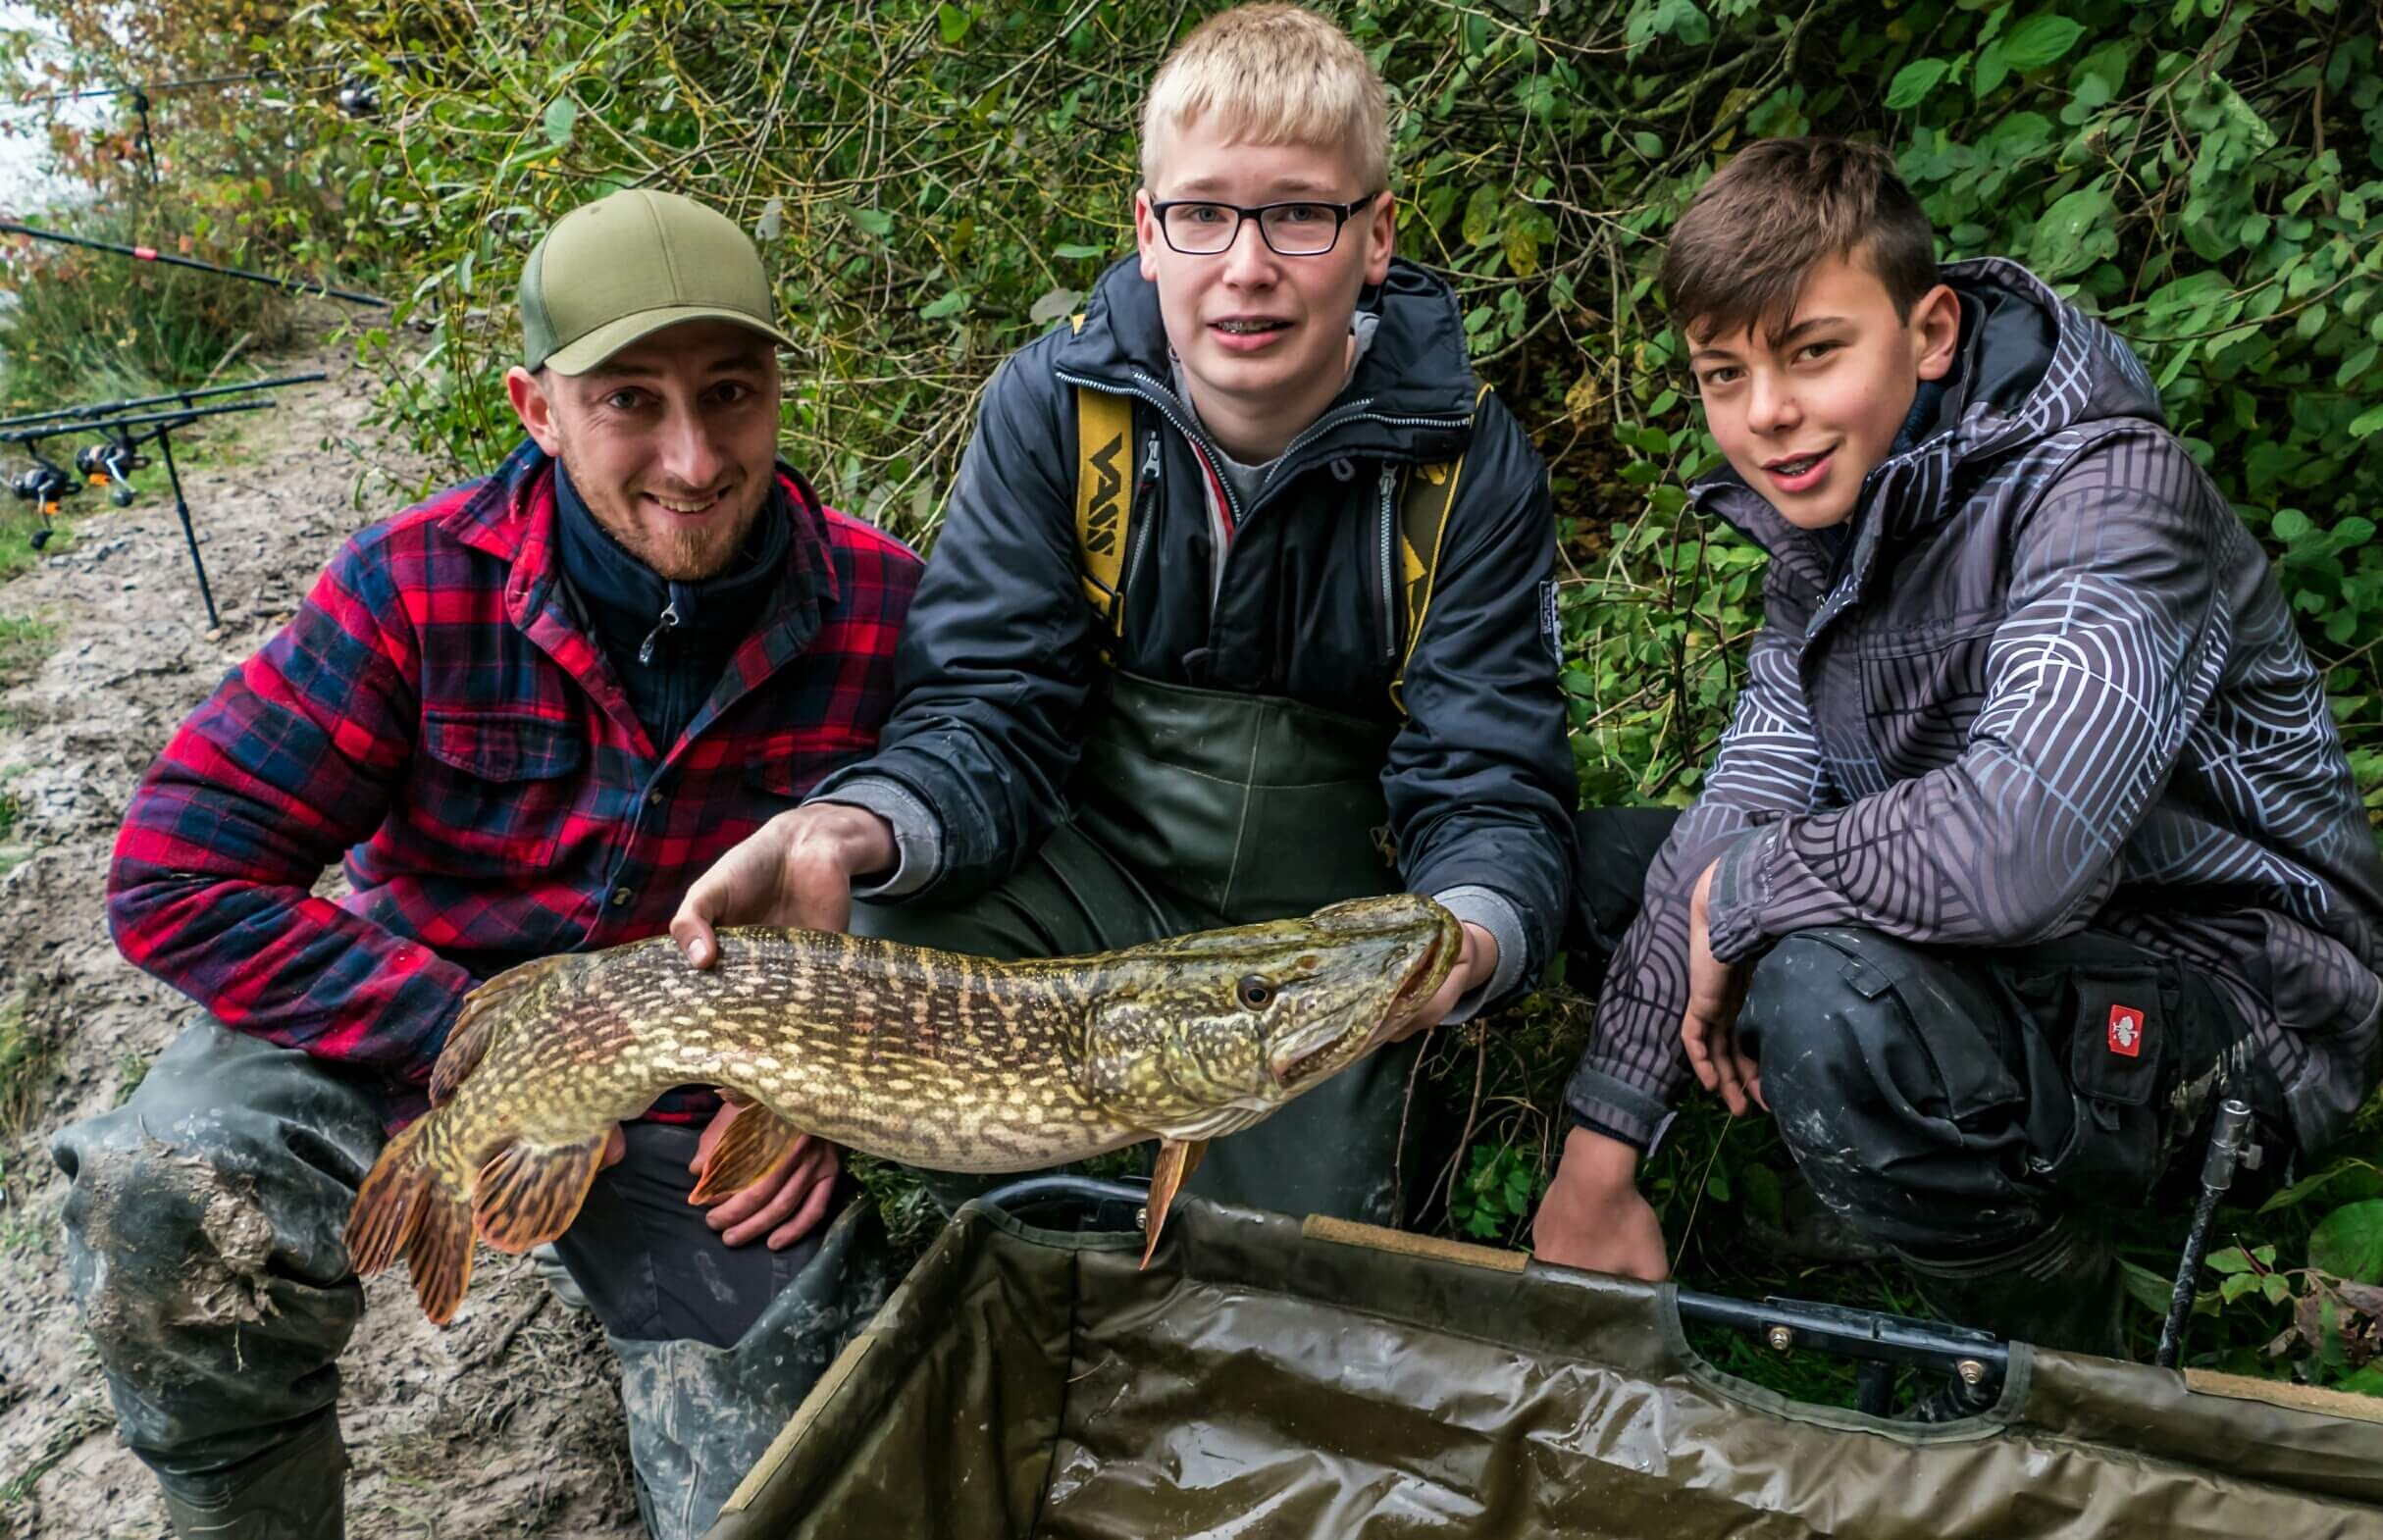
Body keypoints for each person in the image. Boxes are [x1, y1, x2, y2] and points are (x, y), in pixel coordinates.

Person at [54, 188, 922, 1539]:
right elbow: (172, 875)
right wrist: (467, 1034)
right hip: (395, 1031)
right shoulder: (412, 586)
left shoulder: (885, 607)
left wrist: (822, 1085)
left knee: (820, 1468)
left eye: (730, 392)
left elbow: (964, 862)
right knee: (166, 1197)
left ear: (774, 390)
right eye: (629, 400)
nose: (694, 456)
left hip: (695, 1097)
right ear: (537, 408)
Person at [672, 3, 1576, 1227]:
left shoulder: (1468, 464)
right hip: (1090, 886)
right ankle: (1019, 1208)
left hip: (1313, 929)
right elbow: (986, 710)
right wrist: (849, 823)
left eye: (1299, 214)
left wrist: (1459, 944)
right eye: (1202, 214)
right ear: (1147, 233)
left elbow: (1489, 778)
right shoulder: (1057, 408)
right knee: (882, 921)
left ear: (1374, 238)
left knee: (1309, 1251)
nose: (1245, 265)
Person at [1533, 137, 2383, 1365]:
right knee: (1593, 870)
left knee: (1823, 988)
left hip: (2239, 1011)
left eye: (1810, 352)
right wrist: (1599, 1151)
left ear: (1928, 333)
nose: (1763, 415)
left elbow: (2017, 849)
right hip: (2015, 960)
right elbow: (1736, 810)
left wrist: (1755, 889)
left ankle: (2054, 1355)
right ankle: (1865, 1177)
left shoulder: (2109, 496)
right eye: (1723, 374)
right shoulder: (1829, 524)